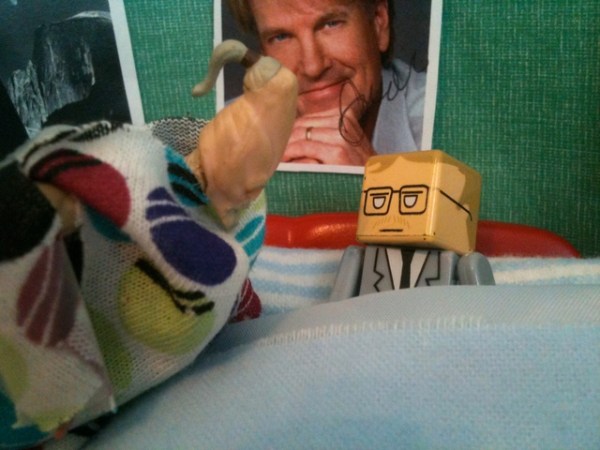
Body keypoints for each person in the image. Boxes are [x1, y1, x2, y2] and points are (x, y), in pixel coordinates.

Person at [227, 0, 427, 166]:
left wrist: (376, 181)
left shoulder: (441, 123)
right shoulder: (223, 137)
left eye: (331, 24)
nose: (313, 67)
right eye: (281, 37)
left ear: (378, 22)